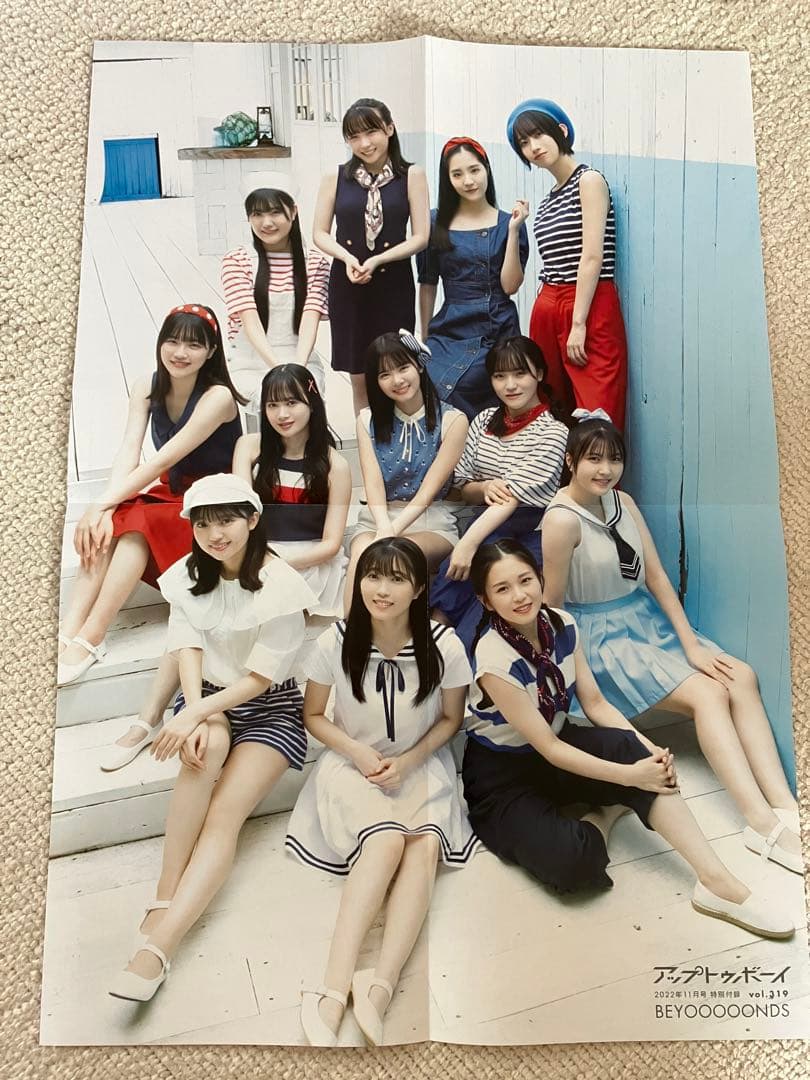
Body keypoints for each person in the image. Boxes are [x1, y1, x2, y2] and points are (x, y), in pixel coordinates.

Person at [463, 538, 794, 939]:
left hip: (559, 738)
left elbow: (596, 703)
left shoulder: (561, 624)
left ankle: (717, 883)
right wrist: (629, 777)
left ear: (539, 578)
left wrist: (647, 750)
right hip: (504, 774)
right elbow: (549, 750)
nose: (519, 595)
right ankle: (604, 812)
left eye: (525, 580)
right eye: (502, 589)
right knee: (573, 865)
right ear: (485, 600)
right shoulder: (494, 659)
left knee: (636, 754)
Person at [540, 412, 802, 874]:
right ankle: (759, 823)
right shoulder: (561, 521)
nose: (605, 469)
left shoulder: (623, 502)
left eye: (614, 459)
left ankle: (786, 807)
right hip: (599, 639)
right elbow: (553, 608)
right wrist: (574, 677)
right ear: (570, 462)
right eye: (593, 459)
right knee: (708, 694)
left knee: (740, 676)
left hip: (644, 621)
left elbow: (658, 577)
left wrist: (692, 646)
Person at [108, 474, 317, 1002]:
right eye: (203, 524)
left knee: (224, 815)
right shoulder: (188, 574)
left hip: (269, 707)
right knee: (208, 748)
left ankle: (159, 950)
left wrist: (193, 714)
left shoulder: (281, 585)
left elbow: (261, 679)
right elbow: (188, 645)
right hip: (206, 693)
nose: (214, 534)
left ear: (253, 519)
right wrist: (195, 710)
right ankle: (165, 892)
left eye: (226, 520)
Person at [286, 538, 478, 1046]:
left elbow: (451, 719)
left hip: (421, 762)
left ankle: (380, 985)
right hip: (351, 763)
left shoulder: (444, 645)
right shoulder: (336, 641)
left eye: (396, 578)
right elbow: (313, 717)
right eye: (372, 575)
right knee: (387, 839)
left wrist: (409, 760)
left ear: (419, 588)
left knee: (425, 845)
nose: (381, 588)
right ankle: (332, 987)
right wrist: (357, 752)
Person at [59, 302, 244, 775]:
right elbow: (129, 452)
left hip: (211, 505)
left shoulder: (218, 397)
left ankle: (93, 637)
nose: (180, 352)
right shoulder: (147, 385)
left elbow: (163, 459)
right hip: (172, 494)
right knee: (116, 519)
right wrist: (103, 506)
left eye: (193, 344)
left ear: (211, 351)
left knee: (138, 522)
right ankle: (70, 629)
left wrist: (105, 504)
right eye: (172, 341)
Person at [430, 336, 568, 654]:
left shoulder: (553, 432)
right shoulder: (483, 421)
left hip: (533, 530)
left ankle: (458, 647)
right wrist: (483, 488)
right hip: (486, 522)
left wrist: (467, 544)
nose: (510, 385)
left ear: (539, 374)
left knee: (495, 576)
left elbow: (512, 499)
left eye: (520, 374)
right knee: (473, 562)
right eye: (500, 376)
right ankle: (437, 636)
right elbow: (461, 486)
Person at [506, 98, 627, 429]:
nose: (533, 147)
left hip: (588, 302)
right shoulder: (546, 202)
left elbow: (592, 256)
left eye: (538, 135)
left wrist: (579, 323)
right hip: (548, 303)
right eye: (524, 143)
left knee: (597, 413)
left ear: (560, 131)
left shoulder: (589, 181)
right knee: (551, 407)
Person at [312, 98, 430, 415]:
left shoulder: (412, 175)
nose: (364, 144)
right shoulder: (335, 177)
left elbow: (421, 236)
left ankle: (402, 434)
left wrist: (378, 260)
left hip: (393, 283)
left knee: (398, 370)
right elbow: (319, 233)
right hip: (348, 284)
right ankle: (367, 439)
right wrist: (347, 258)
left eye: (371, 132)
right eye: (354, 137)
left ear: (389, 129)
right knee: (360, 375)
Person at [345, 330, 468, 609]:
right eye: (385, 374)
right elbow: (373, 484)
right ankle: (350, 631)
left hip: (431, 521)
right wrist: (384, 527)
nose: (397, 380)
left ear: (419, 366)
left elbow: (427, 492)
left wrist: (392, 532)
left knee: (396, 557)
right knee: (362, 556)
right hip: (377, 518)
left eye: (403, 368)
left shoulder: (453, 420)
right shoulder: (367, 420)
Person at [417, 136, 529, 418]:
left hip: (497, 327)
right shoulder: (434, 222)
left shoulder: (508, 222)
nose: (468, 181)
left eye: (474, 170)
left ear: (486, 169)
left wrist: (513, 230)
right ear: (447, 179)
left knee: (475, 382)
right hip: (450, 326)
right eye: (457, 174)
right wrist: (425, 335)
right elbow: (428, 283)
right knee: (428, 380)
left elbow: (510, 286)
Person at [232, 363, 351, 621]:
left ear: (312, 404)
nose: (282, 414)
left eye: (291, 403)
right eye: (272, 405)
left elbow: (331, 544)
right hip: (260, 553)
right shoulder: (249, 447)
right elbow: (241, 515)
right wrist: (260, 561)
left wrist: (281, 567)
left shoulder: (335, 466)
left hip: (311, 562)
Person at [220, 175, 329, 423]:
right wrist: (279, 371)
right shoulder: (236, 260)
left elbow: (309, 321)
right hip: (249, 361)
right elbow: (250, 322)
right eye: (257, 214)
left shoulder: (315, 262)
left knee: (303, 399)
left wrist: (297, 371)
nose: (266, 223)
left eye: (275, 212)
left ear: (294, 211)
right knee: (271, 400)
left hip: (301, 358)